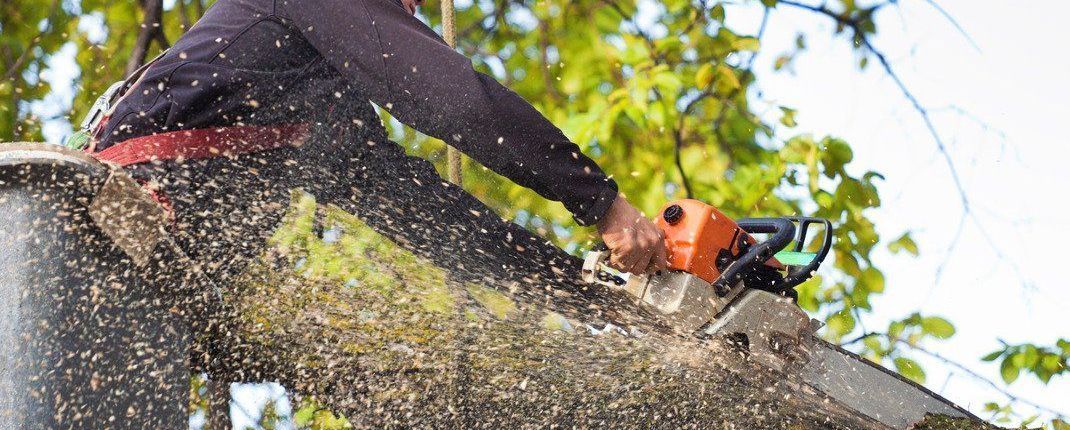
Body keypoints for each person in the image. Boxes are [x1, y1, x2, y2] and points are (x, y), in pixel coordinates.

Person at [85, 0, 668, 277]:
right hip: (121, 215)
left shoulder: (322, 104)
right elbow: (455, 100)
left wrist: (580, 287)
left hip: (165, 272)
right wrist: (602, 202)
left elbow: (424, 215)